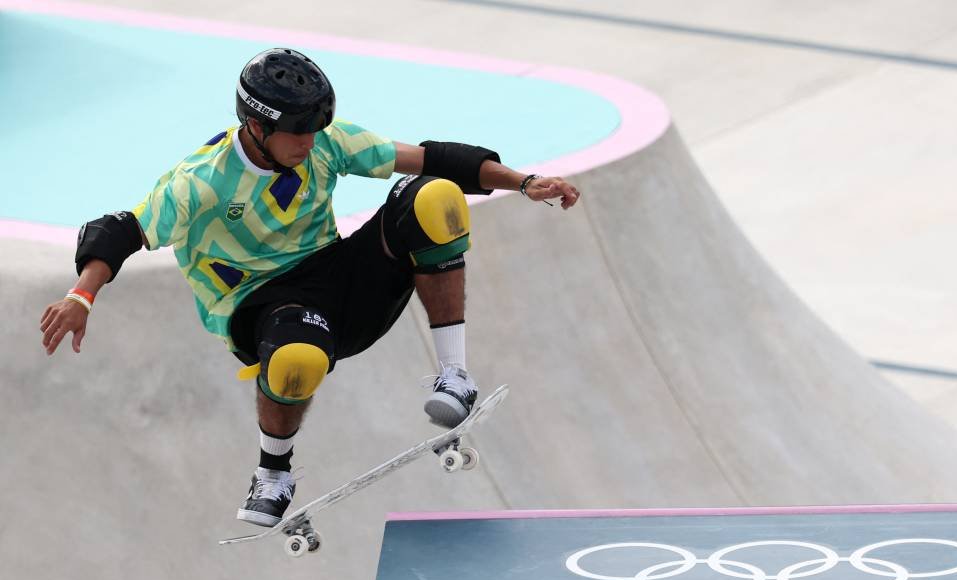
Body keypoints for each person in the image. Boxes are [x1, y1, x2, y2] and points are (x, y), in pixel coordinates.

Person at [39, 47, 580, 527]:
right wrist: (81, 295)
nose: (307, 142)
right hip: (262, 306)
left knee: (433, 195)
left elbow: (432, 157)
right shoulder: (200, 182)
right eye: (296, 131)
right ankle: (272, 475)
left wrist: (525, 182)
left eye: (314, 129)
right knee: (298, 360)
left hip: (339, 275)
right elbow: (123, 230)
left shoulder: (323, 143)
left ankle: (455, 378)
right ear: (254, 124)